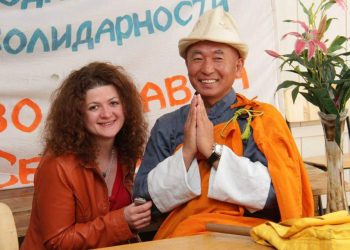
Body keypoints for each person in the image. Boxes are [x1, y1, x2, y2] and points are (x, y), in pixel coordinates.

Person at [133, 7, 314, 240]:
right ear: (187, 65)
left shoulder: (261, 120)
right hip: (181, 239)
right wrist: (187, 153)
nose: (207, 68)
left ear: (238, 67)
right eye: (197, 58)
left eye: (218, 58)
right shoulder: (168, 126)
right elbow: (143, 199)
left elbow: (278, 196)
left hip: (249, 237)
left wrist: (212, 152)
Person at [21, 62, 152, 249]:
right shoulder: (57, 165)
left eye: (114, 103)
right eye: (94, 107)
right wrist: (122, 221)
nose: (107, 114)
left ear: (126, 107)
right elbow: (58, 242)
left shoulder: (125, 151)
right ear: (77, 115)